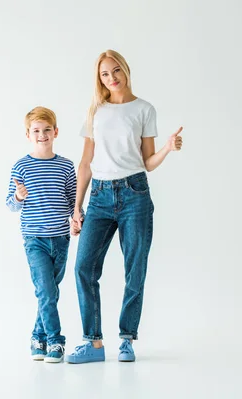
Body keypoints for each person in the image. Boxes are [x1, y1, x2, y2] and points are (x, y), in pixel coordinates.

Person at [65, 50, 183, 364]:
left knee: (135, 269)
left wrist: (168, 149)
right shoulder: (96, 111)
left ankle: (127, 339)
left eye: (116, 70)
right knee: (83, 268)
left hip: (135, 194)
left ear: (126, 69)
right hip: (100, 197)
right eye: (105, 74)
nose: (112, 78)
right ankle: (93, 342)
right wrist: (77, 208)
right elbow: (86, 163)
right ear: (99, 79)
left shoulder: (144, 109)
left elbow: (148, 162)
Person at [6, 106, 77, 363]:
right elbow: (10, 204)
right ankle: (55, 341)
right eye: (36, 130)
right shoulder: (21, 167)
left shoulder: (66, 166)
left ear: (56, 132)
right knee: (46, 292)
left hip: (60, 240)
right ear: (28, 134)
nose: (42, 135)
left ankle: (37, 336)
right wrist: (18, 196)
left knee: (49, 291)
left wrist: (77, 218)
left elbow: (72, 201)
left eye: (47, 130)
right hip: (34, 240)